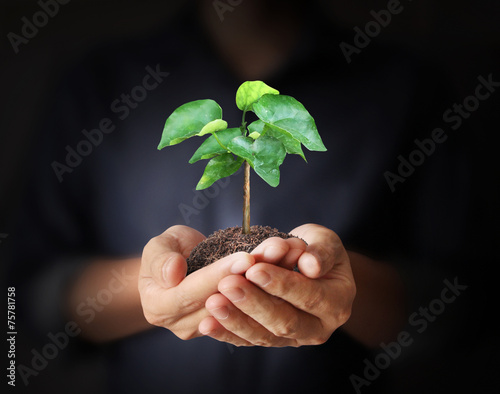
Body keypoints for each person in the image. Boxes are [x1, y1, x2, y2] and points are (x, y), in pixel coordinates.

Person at [11, 0, 469, 393]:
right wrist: (156, 284)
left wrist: (339, 288)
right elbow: (27, 294)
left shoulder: (403, 85)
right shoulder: (101, 85)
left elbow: (456, 305)